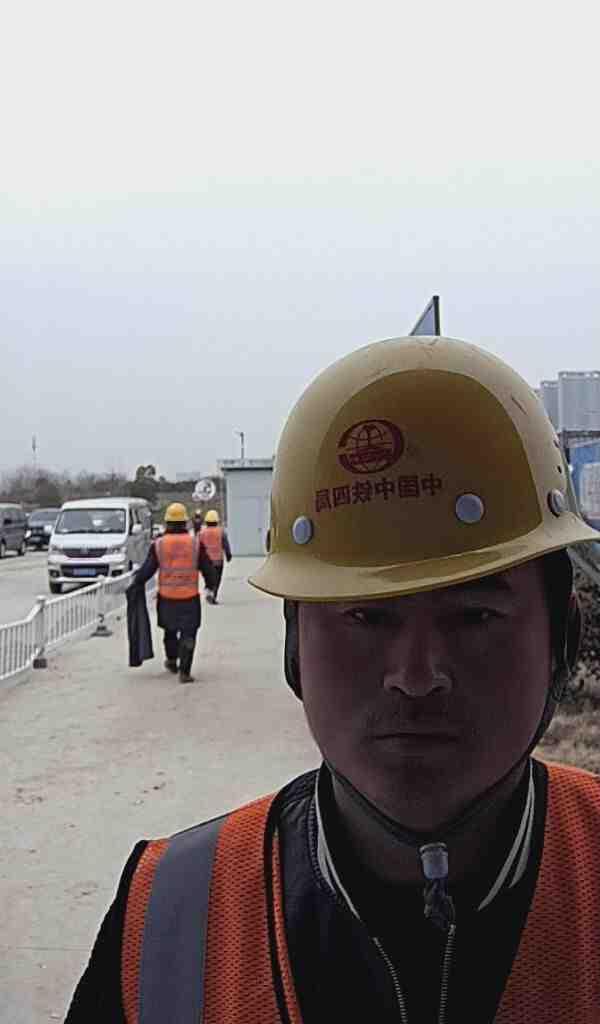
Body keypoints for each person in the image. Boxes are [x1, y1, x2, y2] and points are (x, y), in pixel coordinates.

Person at [65, 337, 600, 1023]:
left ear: (563, 638)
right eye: (364, 617)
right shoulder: (169, 924)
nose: (415, 677)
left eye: (474, 616)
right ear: (296, 646)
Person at [131, 502, 216, 683]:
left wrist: (135, 584)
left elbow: (147, 570)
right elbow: (208, 569)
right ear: (185, 522)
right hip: (189, 598)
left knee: (169, 632)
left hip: (167, 598)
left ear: (167, 523)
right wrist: (211, 585)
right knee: (188, 634)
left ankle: (171, 660)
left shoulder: (159, 544)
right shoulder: (195, 544)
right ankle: (185, 672)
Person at [200, 508, 232, 604]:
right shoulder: (221, 532)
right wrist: (228, 555)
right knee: (217, 579)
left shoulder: (202, 533)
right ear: (217, 521)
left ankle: (208, 591)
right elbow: (225, 544)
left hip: (206, 561)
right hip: (218, 561)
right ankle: (213, 595)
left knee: (208, 578)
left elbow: (197, 546)